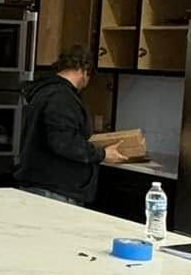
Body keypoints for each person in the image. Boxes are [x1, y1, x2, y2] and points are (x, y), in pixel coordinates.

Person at [14, 45, 127, 206]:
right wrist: (102, 154)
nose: (87, 83)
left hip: (41, 186)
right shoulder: (62, 97)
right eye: (89, 76)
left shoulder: (45, 91)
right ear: (84, 69)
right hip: (54, 192)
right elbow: (64, 142)